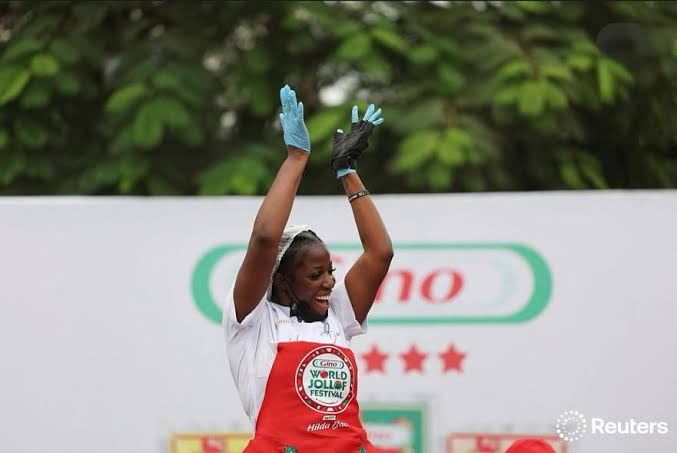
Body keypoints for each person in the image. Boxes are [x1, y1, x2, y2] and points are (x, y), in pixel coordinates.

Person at [223, 83, 393, 452]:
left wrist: (347, 171)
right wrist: (296, 158)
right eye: (315, 275)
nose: (329, 283)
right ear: (282, 280)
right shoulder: (252, 321)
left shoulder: (337, 313)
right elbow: (265, 238)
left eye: (330, 271)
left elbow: (380, 253)